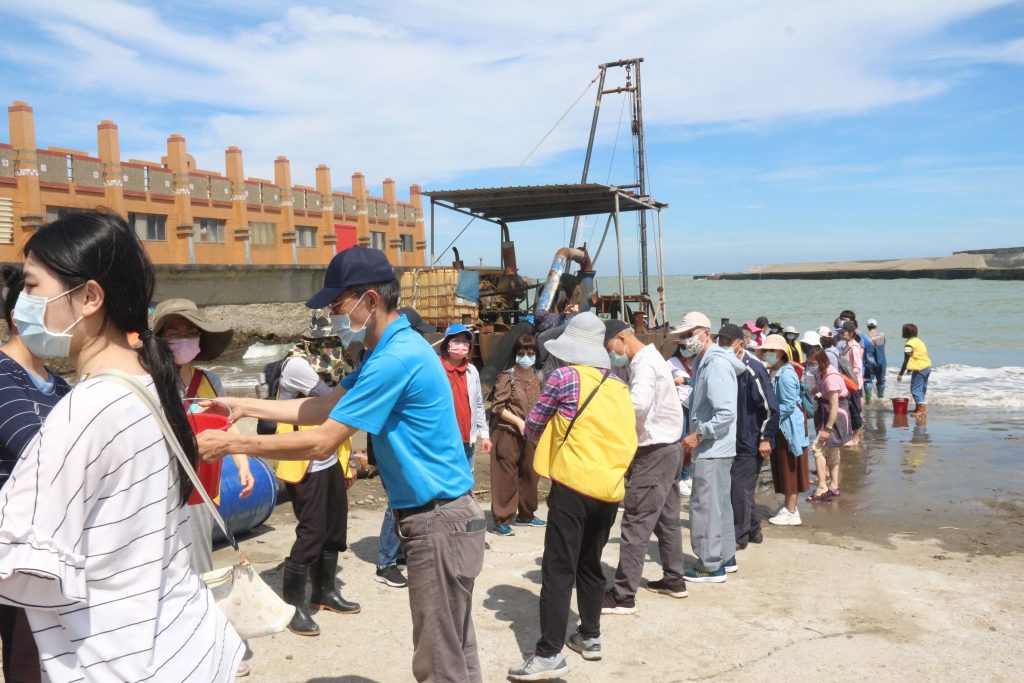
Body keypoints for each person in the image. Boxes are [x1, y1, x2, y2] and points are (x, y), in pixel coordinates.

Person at [197, 246, 485, 683]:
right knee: (455, 649)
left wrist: (235, 444)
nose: (334, 316)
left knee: (440, 659)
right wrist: (241, 404)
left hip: (438, 521)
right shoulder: (388, 349)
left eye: (337, 305)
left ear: (369, 300)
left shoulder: (394, 358)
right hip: (444, 518)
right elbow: (321, 406)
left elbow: (322, 441)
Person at [0, 210, 243, 680]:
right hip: (184, 645)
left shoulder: (84, 409)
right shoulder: (151, 386)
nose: (20, 305)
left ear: (90, 297)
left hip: (118, 663)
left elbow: (18, 550)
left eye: (31, 287)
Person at [507, 313, 637, 679]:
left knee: (559, 567)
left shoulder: (564, 377)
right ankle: (590, 636)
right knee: (590, 564)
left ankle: (549, 653)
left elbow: (534, 425)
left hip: (573, 485)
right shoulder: (618, 384)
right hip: (609, 489)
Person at [0, 267, 72, 682]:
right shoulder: (1, 371)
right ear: (18, 316)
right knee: (26, 657)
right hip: (17, 550)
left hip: (53, 545)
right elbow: (32, 448)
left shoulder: (59, 385)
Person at [272, 311, 360, 636]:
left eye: (336, 342)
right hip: (304, 460)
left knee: (334, 526)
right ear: (313, 342)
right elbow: (330, 401)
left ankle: (324, 592)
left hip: (329, 456)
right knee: (311, 531)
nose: (333, 349)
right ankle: (292, 605)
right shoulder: (297, 365)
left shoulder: (332, 366)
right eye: (328, 342)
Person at [153, 299, 255, 578]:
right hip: (159, 485)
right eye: (174, 333)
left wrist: (243, 465)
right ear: (159, 339)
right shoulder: (150, 382)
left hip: (201, 486)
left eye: (190, 333)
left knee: (198, 560)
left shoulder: (210, 382)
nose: (183, 339)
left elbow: (228, 426)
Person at [602, 320, 687, 614]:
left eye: (609, 347)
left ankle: (624, 595)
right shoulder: (653, 358)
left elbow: (638, 403)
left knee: (635, 522)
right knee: (667, 520)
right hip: (670, 448)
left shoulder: (643, 363)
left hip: (653, 452)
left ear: (621, 339)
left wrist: (608, 409)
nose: (610, 354)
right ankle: (674, 579)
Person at [678, 316, 745, 584]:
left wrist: (698, 434)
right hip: (718, 447)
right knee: (719, 505)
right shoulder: (705, 361)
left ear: (707, 333)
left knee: (704, 507)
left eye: (691, 333)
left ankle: (709, 564)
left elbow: (726, 412)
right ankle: (725, 557)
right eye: (684, 335)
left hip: (712, 447)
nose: (687, 339)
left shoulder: (715, 364)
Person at [489, 334, 546, 536]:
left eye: (530, 353)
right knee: (505, 477)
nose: (526, 357)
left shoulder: (540, 376)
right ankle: (502, 519)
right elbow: (498, 407)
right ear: (515, 354)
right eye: (521, 353)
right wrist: (519, 421)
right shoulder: (508, 376)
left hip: (532, 434)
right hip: (507, 432)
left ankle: (526, 514)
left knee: (530, 474)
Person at [731, 331, 779, 555]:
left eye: (727, 342)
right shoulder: (731, 367)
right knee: (742, 488)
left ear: (741, 344)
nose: (723, 346)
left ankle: (739, 537)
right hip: (738, 438)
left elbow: (770, 408)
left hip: (752, 439)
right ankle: (753, 529)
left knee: (739, 489)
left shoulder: (753, 369)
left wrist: (765, 438)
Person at [761, 335, 810, 526]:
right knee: (782, 466)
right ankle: (789, 507)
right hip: (781, 426)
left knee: (790, 467)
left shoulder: (786, 374)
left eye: (770, 351)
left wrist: (770, 422)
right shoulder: (774, 371)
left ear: (780, 353)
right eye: (765, 350)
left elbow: (788, 405)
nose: (767, 354)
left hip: (788, 427)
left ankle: (791, 511)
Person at [439, 323, 491, 470]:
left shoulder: (472, 370)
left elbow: (478, 404)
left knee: (467, 477)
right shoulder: (436, 367)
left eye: (465, 341)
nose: (461, 345)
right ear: (447, 343)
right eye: (456, 340)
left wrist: (485, 435)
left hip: (467, 440)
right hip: (442, 439)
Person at [806, 349, 852, 502]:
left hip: (836, 416)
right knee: (832, 450)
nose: (811, 367)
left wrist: (827, 429)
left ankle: (822, 486)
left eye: (813, 364)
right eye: (808, 364)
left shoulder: (831, 378)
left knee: (817, 447)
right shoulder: (821, 373)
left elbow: (835, 407)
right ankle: (834, 486)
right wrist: (807, 394)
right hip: (828, 412)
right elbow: (818, 388)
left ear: (822, 362)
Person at [667, 337, 697, 496]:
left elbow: (697, 380)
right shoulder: (672, 362)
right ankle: (679, 477)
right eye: (683, 347)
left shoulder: (696, 362)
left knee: (691, 441)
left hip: (693, 405)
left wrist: (685, 380)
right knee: (682, 440)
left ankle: (687, 475)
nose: (686, 350)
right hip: (679, 405)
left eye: (689, 348)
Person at [839, 320, 864, 446]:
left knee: (854, 411)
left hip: (853, 384)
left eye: (844, 331)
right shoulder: (847, 345)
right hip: (848, 383)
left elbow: (857, 367)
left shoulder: (854, 347)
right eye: (842, 331)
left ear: (851, 333)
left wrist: (846, 376)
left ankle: (856, 439)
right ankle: (852, 436)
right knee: (850, 409)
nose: (842, 333)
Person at [898, 323, 932, 416]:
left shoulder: (908, 345)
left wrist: (901, 373)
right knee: (922, 388)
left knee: (915, 389)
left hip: (919, 368)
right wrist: (910, 368)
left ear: (906, 333)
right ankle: (919, 408)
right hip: (927, 366)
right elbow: (917, 355)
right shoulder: (919, 341)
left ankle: (921, 410)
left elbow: (906, 360)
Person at [865, 319, 887, 402]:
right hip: (882, 360)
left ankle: (868, 400)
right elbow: (884, 345)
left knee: (868, 380)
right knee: (881, 380)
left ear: (867, 326)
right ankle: (881, 399)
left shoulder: (865, 336)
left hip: (870, 361)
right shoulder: (882, 335)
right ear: (876, 326)